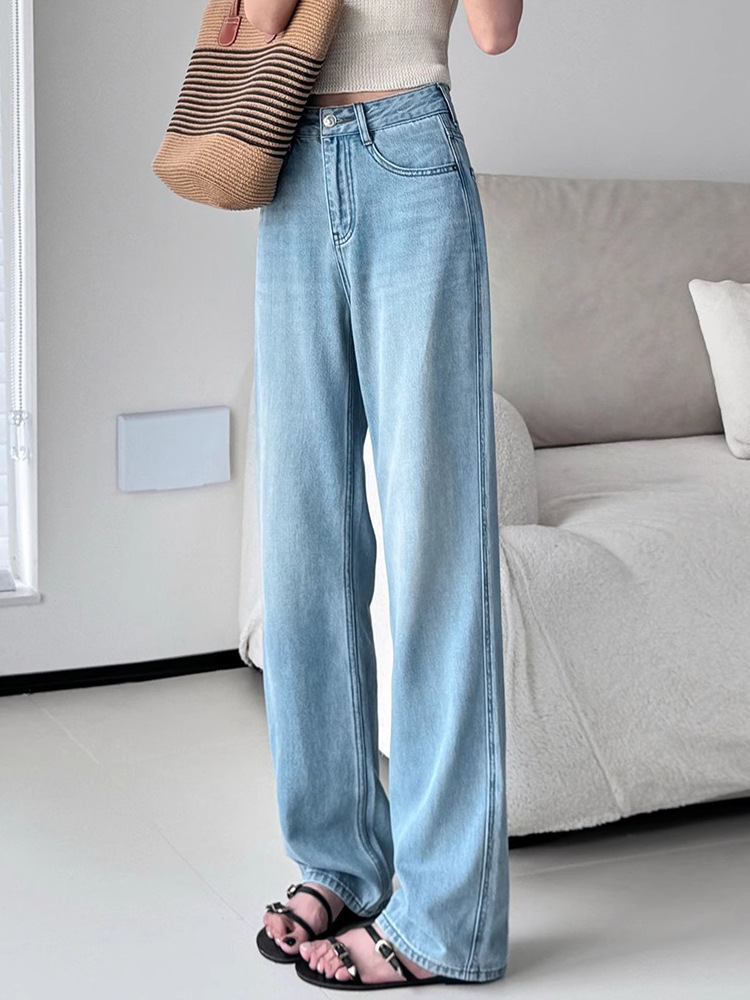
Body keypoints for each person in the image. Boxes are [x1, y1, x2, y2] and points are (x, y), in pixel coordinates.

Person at [248, 0, 523, 989]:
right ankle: (339, 860)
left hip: (411, 154)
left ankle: (450, 920)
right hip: (289, 160)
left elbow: (494, 30)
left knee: (433, 544)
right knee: (302, 540)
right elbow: (263, 19)